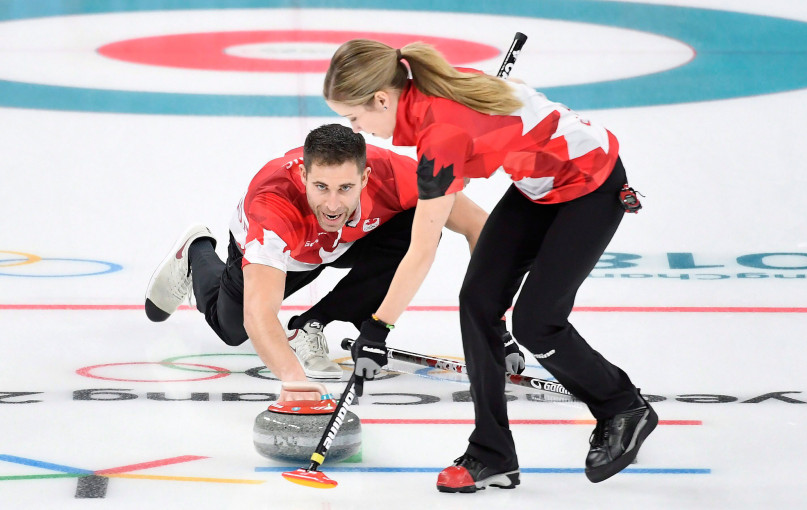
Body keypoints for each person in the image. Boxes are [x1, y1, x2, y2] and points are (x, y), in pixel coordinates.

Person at [323, 40, 657, 490]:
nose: (357, 130)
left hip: (592, 187)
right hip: (537, 189)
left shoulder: (440, 136)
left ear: (383, 99)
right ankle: (491, 452)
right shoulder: (428, 89)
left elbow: (421, 249)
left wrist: (380, 327)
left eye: (355, 118)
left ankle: (623, 406)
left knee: (537, 324)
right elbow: (513, 95)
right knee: (478, 301)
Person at [144, 123, 523, 402]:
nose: (332, 204)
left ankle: (312, 322)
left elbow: (481, 230)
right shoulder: (272, 211)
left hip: (348, 242)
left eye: (345, 188)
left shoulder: (397, 176)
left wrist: (495, 323)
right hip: (287, 256)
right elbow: (259, 317)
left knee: (424, 227)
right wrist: (296, 383)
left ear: (365, 177)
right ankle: (197, 252)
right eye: (321, 187)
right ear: (304, 176)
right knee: (232, 330)